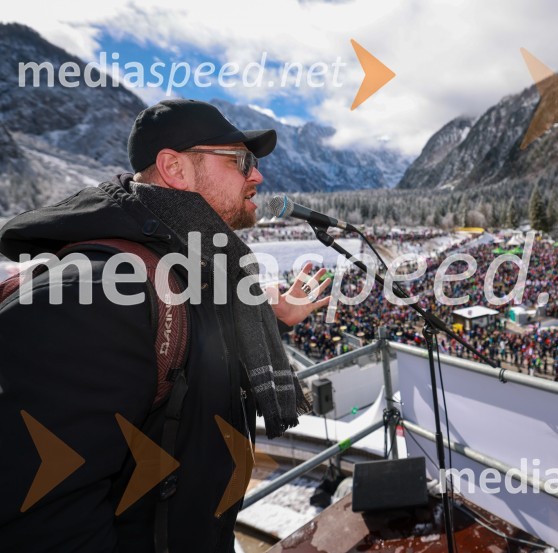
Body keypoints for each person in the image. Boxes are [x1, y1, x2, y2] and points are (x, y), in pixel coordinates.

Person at [0, 99, 331, 552]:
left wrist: (275, 320)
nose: (257, 176)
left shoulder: (195, 267)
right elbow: (43, 521)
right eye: (241, 161)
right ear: (175, 168)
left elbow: (198, 366)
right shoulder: (97, 289)